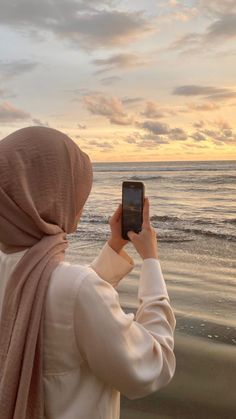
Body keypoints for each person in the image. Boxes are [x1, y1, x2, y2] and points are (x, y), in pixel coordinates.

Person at [0, 126, 176, 419]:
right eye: (74, 188)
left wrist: (114, 248)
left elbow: (63, 306)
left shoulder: (16, 268)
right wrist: (151, 260)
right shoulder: (75, 289)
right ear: (50, 196)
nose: (80, 202)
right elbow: (153, 366)